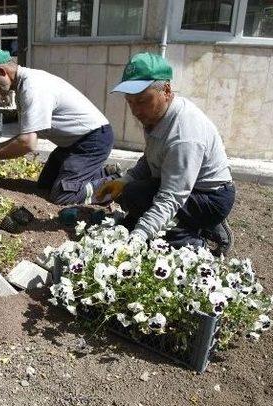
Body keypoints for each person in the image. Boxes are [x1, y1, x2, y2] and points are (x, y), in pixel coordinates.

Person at [96, 52, 235, 256]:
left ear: (166, 91)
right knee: (131, 193)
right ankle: (190, 223)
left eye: (142, 100)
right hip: (188, 187)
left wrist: (137, 238)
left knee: (153, 225)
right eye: (130, 102)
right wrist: (125, 180)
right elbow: (151, 158)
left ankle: (196, 242)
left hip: (209, 198)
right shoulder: (156, 117)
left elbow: (170, 198)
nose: (135, 110)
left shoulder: (184, 136)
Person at [0, 47, 113, 205]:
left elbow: (27, 142)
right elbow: (26, 136)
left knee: (63, 195)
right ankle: (101, 173)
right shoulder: (24, 85)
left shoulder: (32, 88)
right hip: (72, 142)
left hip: (92, 140)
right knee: (45, 186)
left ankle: (111, 184)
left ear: (2, 71)